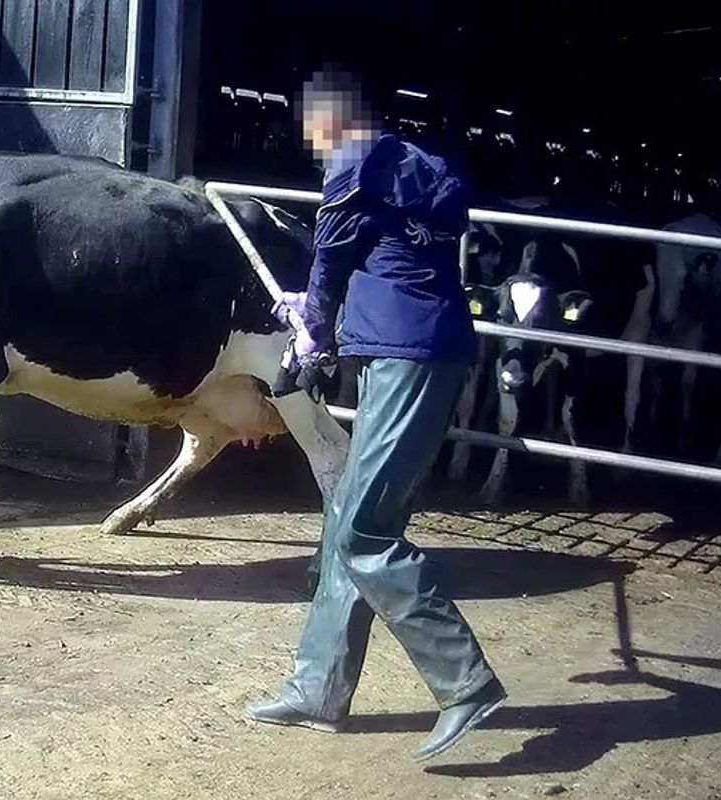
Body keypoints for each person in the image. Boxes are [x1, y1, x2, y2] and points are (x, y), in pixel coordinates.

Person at [249, 67, 507, 762]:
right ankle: (318, 689)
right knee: (347, 521)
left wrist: (312, 327)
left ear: (328, 120)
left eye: (312, 125)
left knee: (366, 529)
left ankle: (465, 682)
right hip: (420, 349)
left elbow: (331, 253)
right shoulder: (410, 166)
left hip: (406, 357)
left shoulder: (354, 161)